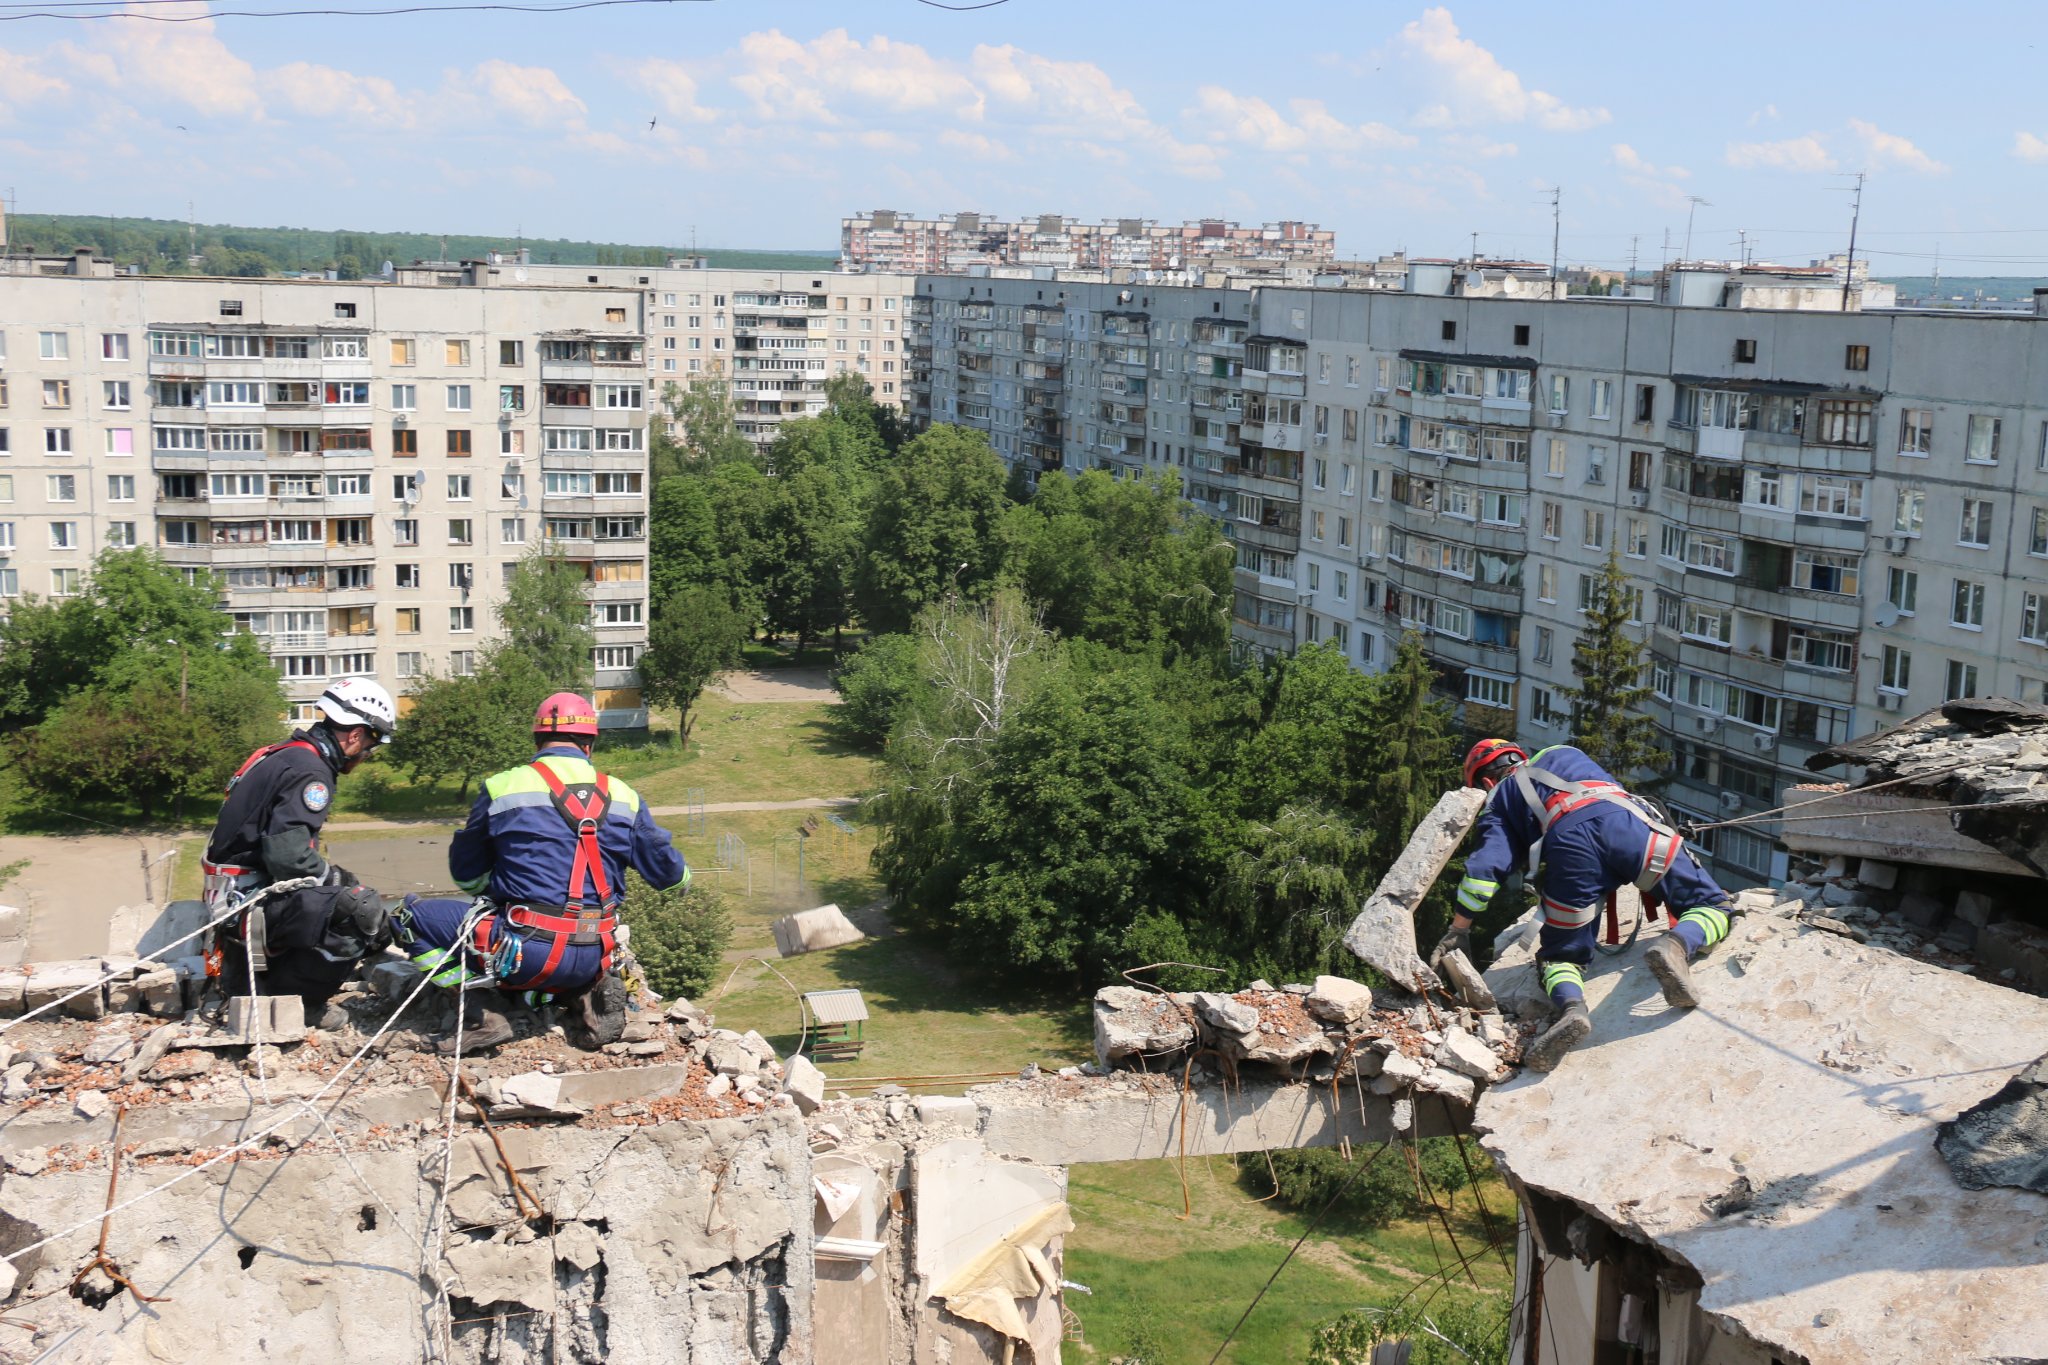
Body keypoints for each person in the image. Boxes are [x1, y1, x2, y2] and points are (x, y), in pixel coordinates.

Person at [390, 692, 689, 1054]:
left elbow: (466, 874)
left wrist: (497, 891)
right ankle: (578, 992)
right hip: (595, 953)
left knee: (408, 917)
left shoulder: (502, 787)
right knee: (565, 945)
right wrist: (683, 879)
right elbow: (671, 877)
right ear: (589, 744)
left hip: (522, 954)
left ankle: (482, 1012)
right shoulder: (625, 796)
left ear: (537, 741)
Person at [1434, 739, 1736, 1071]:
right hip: (1629, 825)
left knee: (1559, 958)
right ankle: (1677, 944)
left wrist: (1458, 929)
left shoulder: (1500, 798)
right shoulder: (1565, 752)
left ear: (1487, 781)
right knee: (1712, 905)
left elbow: (1485, 872)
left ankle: (1572, 1009)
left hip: (1571, 850)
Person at [203, 677, 397, 1026]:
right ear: (355, 735)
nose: (367, 755)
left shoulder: (285, 753)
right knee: (359, 911)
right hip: (243, 903)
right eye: (371, 745)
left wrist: (333, 881)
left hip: (233, 891)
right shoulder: (310, 771)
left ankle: (252, 978)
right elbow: (287, 858)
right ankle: (292, 1002)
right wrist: (338, 884)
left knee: (339, 891)